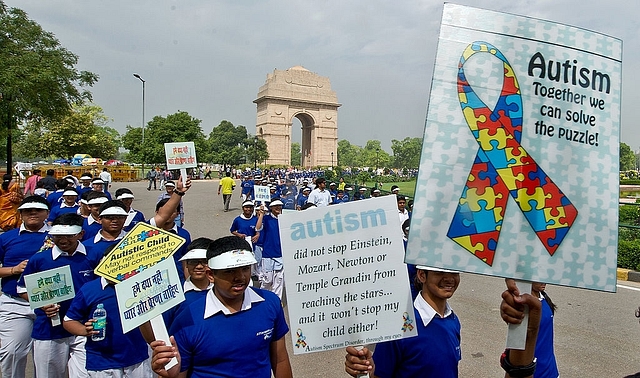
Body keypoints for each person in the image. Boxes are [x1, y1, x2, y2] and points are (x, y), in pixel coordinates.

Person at [149, 236, 293, 378]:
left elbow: (280, 359)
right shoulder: (187, 320)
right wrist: (170, 375)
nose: (240, 277)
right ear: (211, 275)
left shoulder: (270, 303)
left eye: (245, 268)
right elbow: (177, 373)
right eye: (229, 271)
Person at [17, 213, 100, 378]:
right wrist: (42, 305)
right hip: (49, 330)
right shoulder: (39, 259)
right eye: (58, 236)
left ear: (81, 234)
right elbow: (22, 289)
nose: (63, 240)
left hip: (86, 328)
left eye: (69, 236)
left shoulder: (94, 255)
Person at [345, 266, 462, 378]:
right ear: (422, 275)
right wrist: (366, 372)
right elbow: (378, 374)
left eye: (454, 272)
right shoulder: (398, 327)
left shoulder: (453, 320)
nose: (449, 279)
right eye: (439, 272)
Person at [63, 245, 153, 378]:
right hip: (102, 362)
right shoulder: (89, 289)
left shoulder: (141, 286)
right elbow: (68, 321)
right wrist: (84, 330)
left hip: (137, 359)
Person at [0, 196, 51, 378]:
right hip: (15, 304)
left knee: (48, 359)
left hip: (51, 304)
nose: (33, 213)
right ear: (20, 213)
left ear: (47, 212)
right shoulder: (6, 238)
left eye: (38, 210)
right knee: (11, 352)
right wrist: (14, 269)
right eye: (28, 210)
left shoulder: (58, 236)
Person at [254, 200, 285, 299]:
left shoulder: (284, 219)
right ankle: (263, 298)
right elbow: (257, 228)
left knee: (279, 281)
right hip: (268, 254)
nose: (278, 208)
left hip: (281, 254)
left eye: (279, 206)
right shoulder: (266, 219)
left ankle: (276, 301)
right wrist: (261, 215)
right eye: (275, 206)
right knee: (267, 280)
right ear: (271, 208)